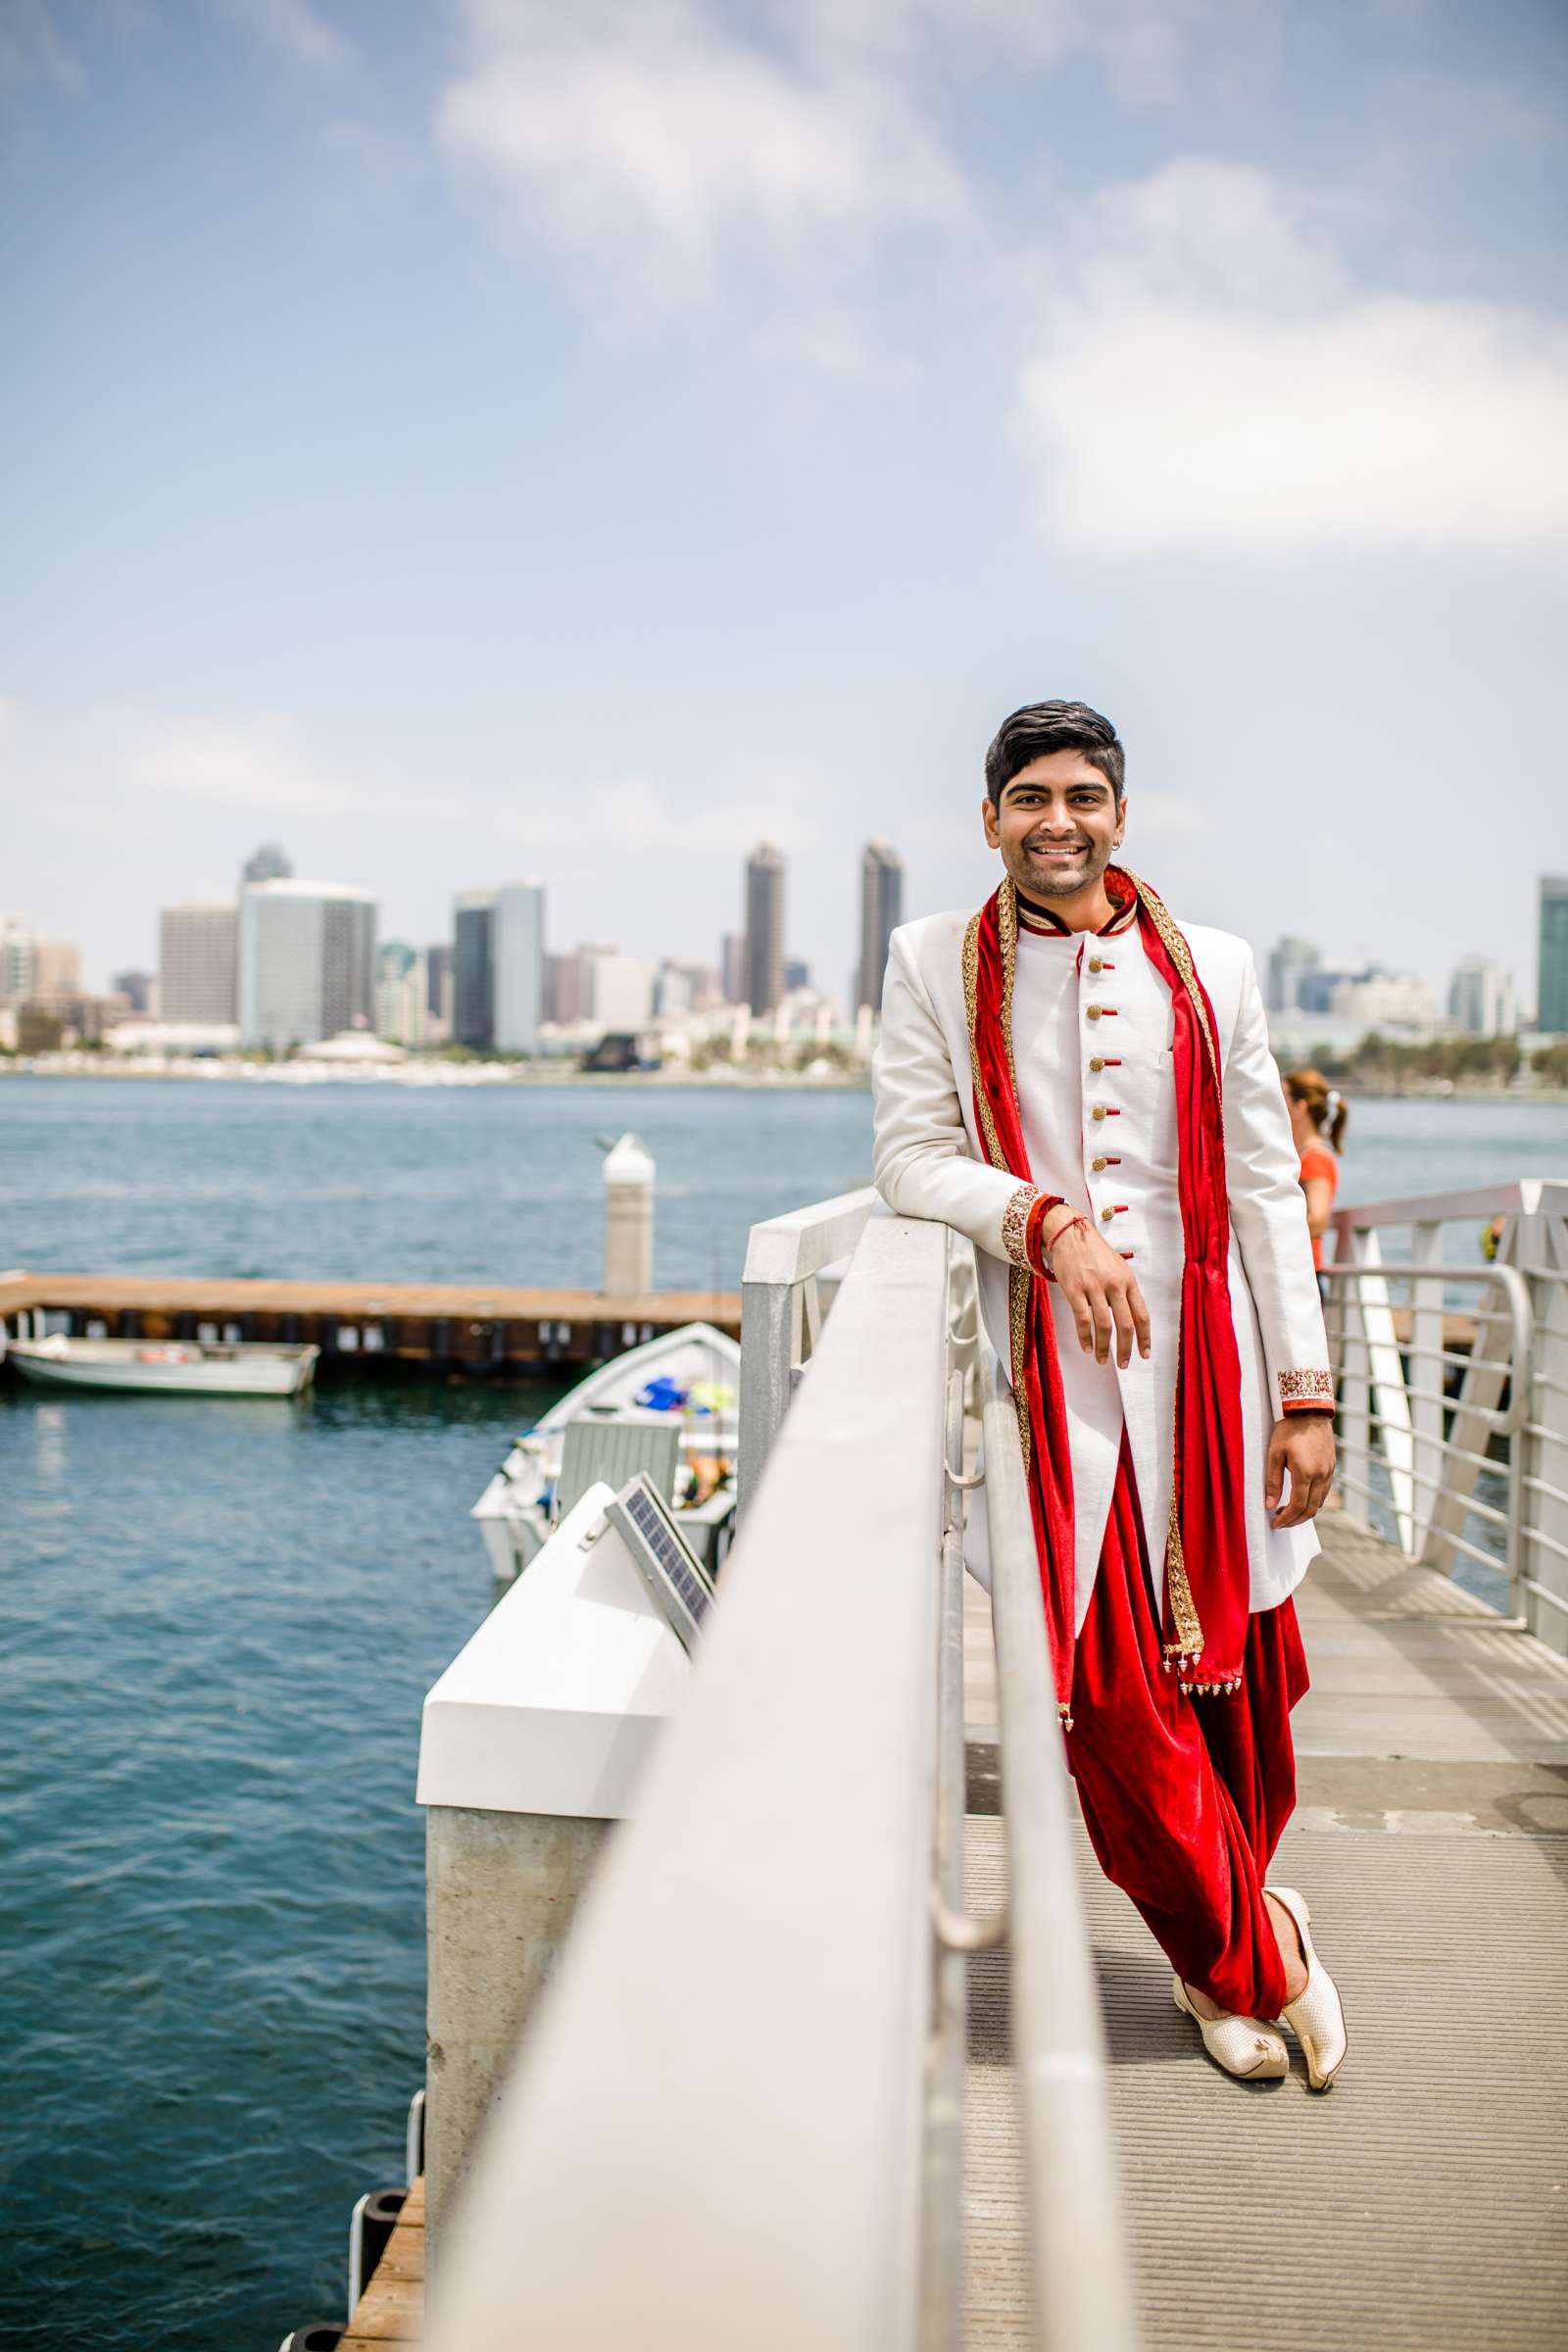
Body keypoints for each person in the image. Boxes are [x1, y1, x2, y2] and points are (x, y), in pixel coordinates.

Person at [871, 700, 1348, 2089]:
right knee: (1114, 1714)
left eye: (1084, 797)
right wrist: (1046, 1220)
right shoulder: (928, 962)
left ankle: (1219, 1969)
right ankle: (1274, 1960)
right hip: (1049, 1397)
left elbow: (1264, 1187)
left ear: (1122, 815)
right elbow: (907, 1158)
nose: (1058, 822)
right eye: (1030, 799)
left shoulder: (1213, 966)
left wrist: (1306, 1395)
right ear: (990, 821)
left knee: (1237, 1690)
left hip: (1212, 1384)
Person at [1284, 1067, 1347, 1270]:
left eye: (1281, 1098)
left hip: (1302, 1272)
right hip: (1296, 1268)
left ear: (1299, 1108)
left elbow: (1318, 1221)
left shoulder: (1315, 1159)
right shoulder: (1301, 1156)